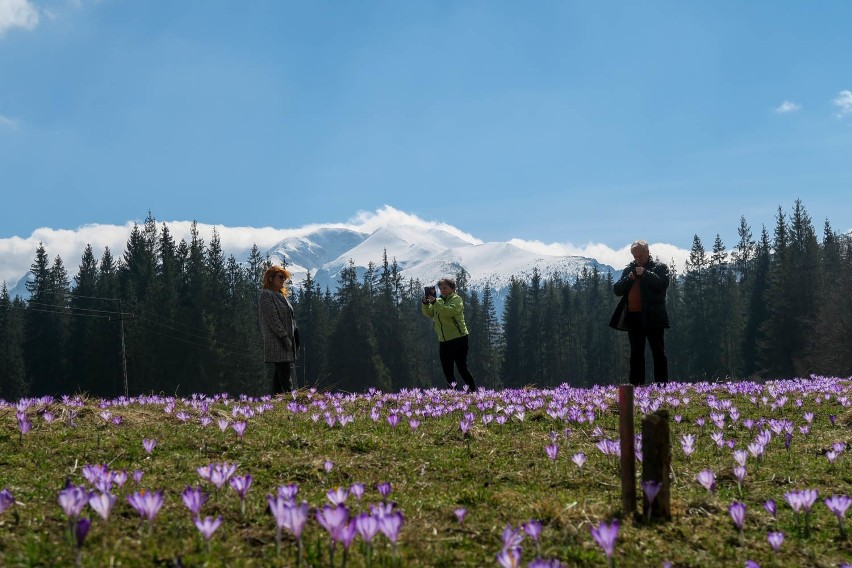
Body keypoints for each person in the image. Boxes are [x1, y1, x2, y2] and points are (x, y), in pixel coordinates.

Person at [609, 240, 670, 386]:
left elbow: (662, 284)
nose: (638, 260)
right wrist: (629, 278)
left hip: (654, 317)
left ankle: (662, 386)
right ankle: (636, 387)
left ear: (648, 253)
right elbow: (617, 290)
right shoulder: (630, 269)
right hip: (634, 317)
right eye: (635, 257)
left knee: (658, 353)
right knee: (636, 354)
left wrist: (645, 274)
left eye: (640, 256)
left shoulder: (659, 267)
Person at [421, 278, 477, 391]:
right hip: (444, 341)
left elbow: (449, 311)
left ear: (452, 288)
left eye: (445, 288)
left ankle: (474, 392)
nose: (443, 290)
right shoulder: (439, 301)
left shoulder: (457, 299)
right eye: (441, 288)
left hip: (459, 338)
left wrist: (435, 303)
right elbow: (429, 313)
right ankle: (453, 394)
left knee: (462, 368)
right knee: (447, 370)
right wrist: (425, 304)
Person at [258, 265, 299, 393]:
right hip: (277, 341)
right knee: (284, 372)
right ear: (270, 278)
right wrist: (284, 337)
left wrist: (294, 335)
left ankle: (276, 400)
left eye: (284, 278)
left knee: (280, 371)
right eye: (280, 277)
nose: (283, 280)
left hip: (285, 340)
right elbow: (273, 319)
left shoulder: (280, 296)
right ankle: (289, 399)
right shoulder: (266, 295)